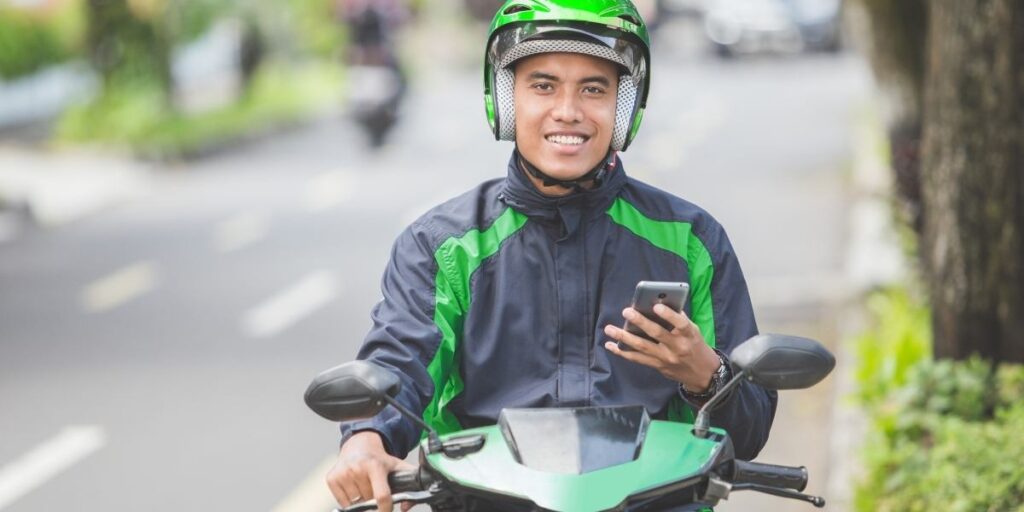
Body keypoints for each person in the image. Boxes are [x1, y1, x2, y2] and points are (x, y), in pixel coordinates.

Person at [326, 1, 777, 509]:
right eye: (543, 86)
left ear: (623, 104)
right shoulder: (442, 246)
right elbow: (398, 361)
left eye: (594, 88)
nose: (568, 110)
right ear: (507, 97)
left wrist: (705, 374)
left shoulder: (690, 240)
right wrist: (367, 440)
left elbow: (753, 424)